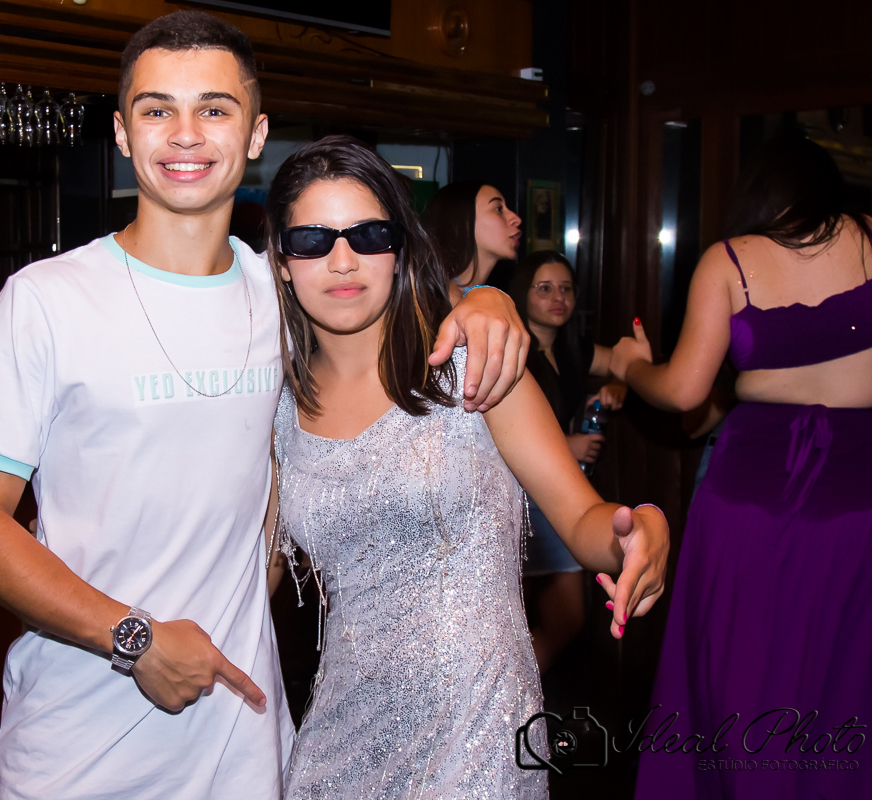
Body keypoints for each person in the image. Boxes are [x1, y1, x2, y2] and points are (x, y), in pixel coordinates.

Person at [0, 12, 531, 800]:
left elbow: (396, 298)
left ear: (256, 134)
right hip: (80, 742)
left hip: (241, 742)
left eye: (214, 109)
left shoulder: (282, 291)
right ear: (122, 133)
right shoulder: (45, 302)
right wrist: (134, 639)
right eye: (157, 109)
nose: (186, 134)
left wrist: (488, 299)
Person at [267, 136, 668, 799]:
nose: (342, 260)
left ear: (400, 247)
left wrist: (643, 527)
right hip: (343, 734)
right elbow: (252, 580)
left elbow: (584, 519)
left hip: (479, 729)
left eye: (368, 235)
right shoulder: (277, 408)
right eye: (311, 241)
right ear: (281, 261)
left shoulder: (475, 366)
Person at [613, 136, 872, 800]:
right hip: (858, 492)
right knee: (845, 674)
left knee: (738, 666)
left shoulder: (729, 260)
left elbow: (683, 391)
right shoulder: (869, 240)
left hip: (749, 491)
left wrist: (630, 366)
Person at [506, 250, 627, 673]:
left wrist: (618, 385)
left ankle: (512, 697)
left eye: (566, 289)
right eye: (544, 288)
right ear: (522, 294)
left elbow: (624, 361)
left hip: (556, 495)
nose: (558, 298)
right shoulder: (512, 349)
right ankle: (507, 699)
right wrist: (565, 445)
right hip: (520, 492)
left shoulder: (572, 349)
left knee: (563, 620)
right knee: (543, 621)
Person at [422, 179, 523, 300]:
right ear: (462, 222)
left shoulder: (470, 297)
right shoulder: (449, 299)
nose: (516, 219)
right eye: (498, 209)